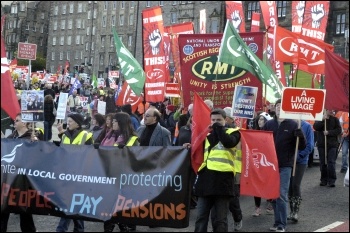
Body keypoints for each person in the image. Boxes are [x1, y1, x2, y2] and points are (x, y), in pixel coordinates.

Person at [193, 108, 241, 232]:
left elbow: (228, 143)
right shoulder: (208, 135)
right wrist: (189, 146)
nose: (215, 122)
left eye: (218, 120)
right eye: (213, 120)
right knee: (201, 217)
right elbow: (199, 152)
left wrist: (218, 128)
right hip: (206, 179)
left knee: (220, 220)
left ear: (225, 120)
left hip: (223, 181)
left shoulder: (234, 132)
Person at [263, 99, 306, 232]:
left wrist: (301, 136)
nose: (279, 108)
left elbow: (302, 146)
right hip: (270, 165)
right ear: (274, 108)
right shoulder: (269, 124)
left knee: (281, 193)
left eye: (282, 106)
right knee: (273, 194)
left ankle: (282, 224)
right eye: (277, 106)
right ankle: (277, 222)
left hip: (285, 165)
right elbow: (262, 141)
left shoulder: (293, 124)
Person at [1, 113, 39, 232]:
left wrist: (36, 145)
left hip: (23, 182)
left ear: (24, 123)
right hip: (9, 180)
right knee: (3, 209)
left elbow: (39, 159)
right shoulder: (12, 137)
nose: (14, 122)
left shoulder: (32, 138)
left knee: (25, 213)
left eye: (17, 120)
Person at [55, 113, 93, 232]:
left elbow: (90, 155)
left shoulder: (86, 135)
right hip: (66, 174)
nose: (68, 123)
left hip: (80, 175)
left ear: (77, 123)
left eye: (70, 121)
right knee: (74, 204)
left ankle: (61, 229)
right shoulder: (65, 135)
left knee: (70, 203)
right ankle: (79, 229)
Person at [103, 112, 139, 232]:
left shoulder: (133, 139)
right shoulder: (108, 135)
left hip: (125, 182)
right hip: (110, 179)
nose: (112, 123)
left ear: (121, 123)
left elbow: (136, 160)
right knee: (108, 212)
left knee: (124, 213)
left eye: (115, 121)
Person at [288, 120, 314, 223]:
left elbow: (310, 145)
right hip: (289, 160)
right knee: (289, 185)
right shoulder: (288, 124)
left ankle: (296, 212)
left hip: (301, 161)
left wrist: (299, 156)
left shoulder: (307, 126)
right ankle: (291, 210)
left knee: (295, 184)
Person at [251, 112, 274, 217]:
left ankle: (270, 203)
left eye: (262, 119)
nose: (260, 121)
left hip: (266, 162)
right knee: (256, 185)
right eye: (259, 119)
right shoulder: (254, 132)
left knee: (268, 183)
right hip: (256, 161)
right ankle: (257, 207)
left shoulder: (271, 133)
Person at [313, 109, 342, 187]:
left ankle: (332, 180)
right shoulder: (319, 118)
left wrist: (329, 132)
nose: (331, 111)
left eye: (332, 110)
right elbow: (316, 127)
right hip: (322, 144)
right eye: (329, 109)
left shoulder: (335, 119)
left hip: (332, 144)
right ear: (325, 110)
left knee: (331, 162)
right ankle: (323, 179)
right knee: (323, 163)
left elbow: (339, 130)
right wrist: (322, 120)